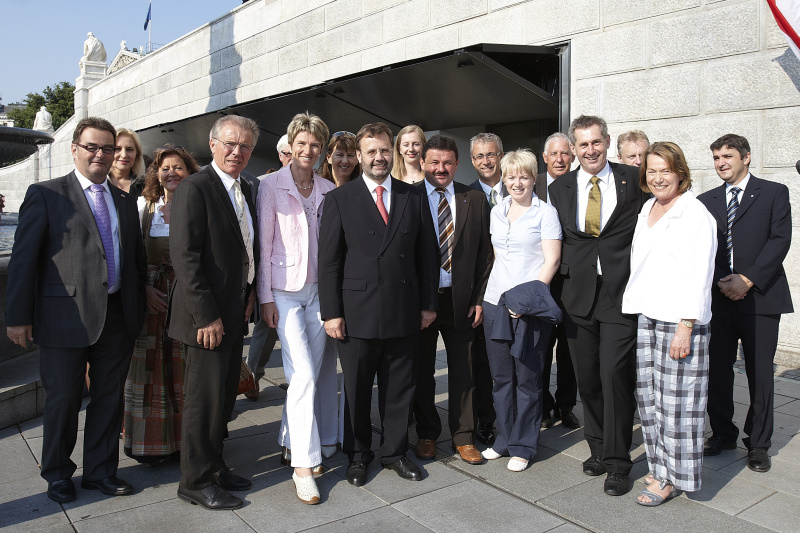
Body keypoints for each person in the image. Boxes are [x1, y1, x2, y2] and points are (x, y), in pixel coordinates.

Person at [6, 117, 146, 503]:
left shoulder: (123, 200)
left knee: (109, 398)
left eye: (108, 148)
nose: (101, 155)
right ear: (75, 149)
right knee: (63, 399)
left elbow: (134, 259)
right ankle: (57, 473)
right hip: (65, 317)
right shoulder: (46, 194)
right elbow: (22, 261)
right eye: (93, 147)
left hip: (117, 316)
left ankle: (101, 472)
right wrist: (18, 317)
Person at [319, 122, 438, 487]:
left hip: (403, 308)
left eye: (384, 150)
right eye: (371, 151)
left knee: (399, 386)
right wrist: (332, 313)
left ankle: (394, 453)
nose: (379, 157)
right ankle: (357, 455)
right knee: (355, 388)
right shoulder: (340, 198)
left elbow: (427, 255)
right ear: (358, 156)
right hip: (356, 313)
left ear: (394, 152)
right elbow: (329, 261)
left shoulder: (413, 196)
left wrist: (428, 304)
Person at [548, 115, 647, 497]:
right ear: (573, 148)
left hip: (621, 294)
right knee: (587, 378)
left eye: (596, 143)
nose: (590, 150)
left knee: (615, 377)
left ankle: (619, 463)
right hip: (577, 297)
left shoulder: (632, 179)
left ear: (607, 142)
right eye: (582, 145)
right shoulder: (559, 188)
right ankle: (598, 448)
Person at [168, 115, 259, 511]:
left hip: (234, 312)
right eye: (230, 144)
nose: (237, 152)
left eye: (245, 147)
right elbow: (185, 258)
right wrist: (205, 315)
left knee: (223, 400)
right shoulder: (194, 188)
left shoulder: (244, 189)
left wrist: (250, 294)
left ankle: (216, 466)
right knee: (202, 403)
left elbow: (244, 249)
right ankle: (195, 480)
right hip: (205, 319)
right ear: (213, 143)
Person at [621, 142, 717, 505]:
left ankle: (674, 478)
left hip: (680, 321)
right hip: (648, 316)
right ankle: (660, 465)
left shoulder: (695, 214)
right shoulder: (649, 206)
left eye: (666, 170)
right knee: (650, 400)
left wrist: (686, 326)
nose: (658, 177)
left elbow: (699, 274)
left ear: (680, 172)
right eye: (652, 170)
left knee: (678, 406)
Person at [698, 134, 793, 473]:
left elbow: (779, 241)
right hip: (720, 300)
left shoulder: (773, 193)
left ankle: (759, 442)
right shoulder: (704, 200)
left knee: (760, 373)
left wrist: (747, 280)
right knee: (718, 372)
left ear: (746, 157)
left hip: (762, 298)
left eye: (727, 156)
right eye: (716, 157)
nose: (721, 162)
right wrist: (726, 283)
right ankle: (722, 433)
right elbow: (704, 248)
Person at [257, 112, 337, 504]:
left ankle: (290, 439)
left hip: (320, 293)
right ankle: (304, 467)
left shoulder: (327, 188)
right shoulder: (270, 185)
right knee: (302, 373)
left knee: (313, 372)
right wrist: (266, 298)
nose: (308, 151)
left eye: (315, 145)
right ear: (291, 145)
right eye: (302, 143)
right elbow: (263, 244)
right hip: (285, 292)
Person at [412, 135, 492, 466]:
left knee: (465, 370)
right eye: (434, 162)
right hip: (421, 304)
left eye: (447, 162)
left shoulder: (473, 198)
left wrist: (478, 299)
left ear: (457, 164)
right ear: (422, 163)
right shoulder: (408, 198)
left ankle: (463, 436)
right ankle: (427, 434)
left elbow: (486, 255)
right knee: (421, 371)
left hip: (462, 301)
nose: (440, 168)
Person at [480, 149, 562, 472]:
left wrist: (524, 301)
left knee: (528, 379)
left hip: (528, 308)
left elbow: (551, 261)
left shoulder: (546, 213)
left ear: (533, 178)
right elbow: (499, 257)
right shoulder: (497, 212)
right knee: (501, 379)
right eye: (511, 176)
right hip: (494, 302)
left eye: (523, 176)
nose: (517, 182)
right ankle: (504, 439)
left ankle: (524, 445)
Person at [123, 145, 201, 464]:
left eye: (178, 167)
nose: (171, 172)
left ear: (189, 171)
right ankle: (150, 445)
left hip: (186, 294)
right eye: (164, 167)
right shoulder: (147, 206)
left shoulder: (200, 205)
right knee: (151, 371)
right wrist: (144, 289)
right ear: (156, 173)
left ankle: (186, 443)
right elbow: (133, 255)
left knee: (185, 370)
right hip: (154, 296)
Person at [535, 132, 579, 430]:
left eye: (565, 153)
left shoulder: (581, 185)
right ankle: (541, 406)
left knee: (568, 349)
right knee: (538, 348)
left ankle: (566, 405)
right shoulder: (531, 183)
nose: (560, 159)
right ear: (545, 156)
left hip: (572, 282)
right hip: (538, 279)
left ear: (572, 156)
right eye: (554, 154)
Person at [468, 132, 505, 445]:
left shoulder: (521, 189)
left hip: (515, 292)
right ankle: (486, 420)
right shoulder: (465, 196)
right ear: (472, 161)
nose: (485, 161)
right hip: (483, 293)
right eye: (479, 156)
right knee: (481, 362)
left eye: (491, 154)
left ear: (501, 156)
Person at [108, 128, 146, 196]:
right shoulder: (98, 183)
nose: (124, 155)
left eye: (129, 149)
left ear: (137, 154)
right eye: (117, 149)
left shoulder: (146, 186)